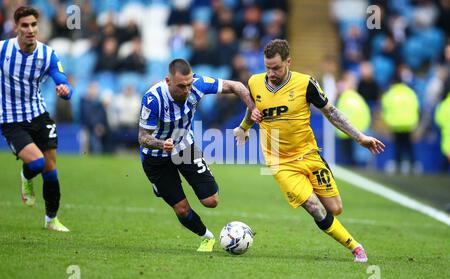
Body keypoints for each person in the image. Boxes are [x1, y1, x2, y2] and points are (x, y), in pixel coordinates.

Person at [233, 39, 385, 263]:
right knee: (315, 207)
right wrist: (244, 126)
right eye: (267, 67)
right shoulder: (255, 82)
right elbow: (253, 108)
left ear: (289, 62)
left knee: (335, 208)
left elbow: (331, 112)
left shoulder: (305, 84)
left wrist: (360, 136)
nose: (271, 73)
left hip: (309, 154)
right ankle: (355, 247)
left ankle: (334, 221)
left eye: (276, 67)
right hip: (280, 163)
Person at [138, 58, 255, 252]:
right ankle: (206, 237)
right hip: (155, 157)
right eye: (181, 86)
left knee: (211, 201)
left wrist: (253, 109)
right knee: (182, 209)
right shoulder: (152, 99)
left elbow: (237, 86)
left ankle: (165, 188)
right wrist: (161, 144)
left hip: (185, 147)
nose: (186, 90)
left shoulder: (197, 85)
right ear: (168, 81)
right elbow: (143, 137)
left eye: (189, 85)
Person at [0, 6, 73, 232]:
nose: (30, 30)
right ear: (16, 28)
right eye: (24, 25)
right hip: (12, 119)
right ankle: (26, 175)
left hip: (39, 115)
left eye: (33, 25)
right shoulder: (3, 50)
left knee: (51, 171)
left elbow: (62, 79)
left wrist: (65, 89)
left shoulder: (47, 54)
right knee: (37, 163)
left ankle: (51, 220)